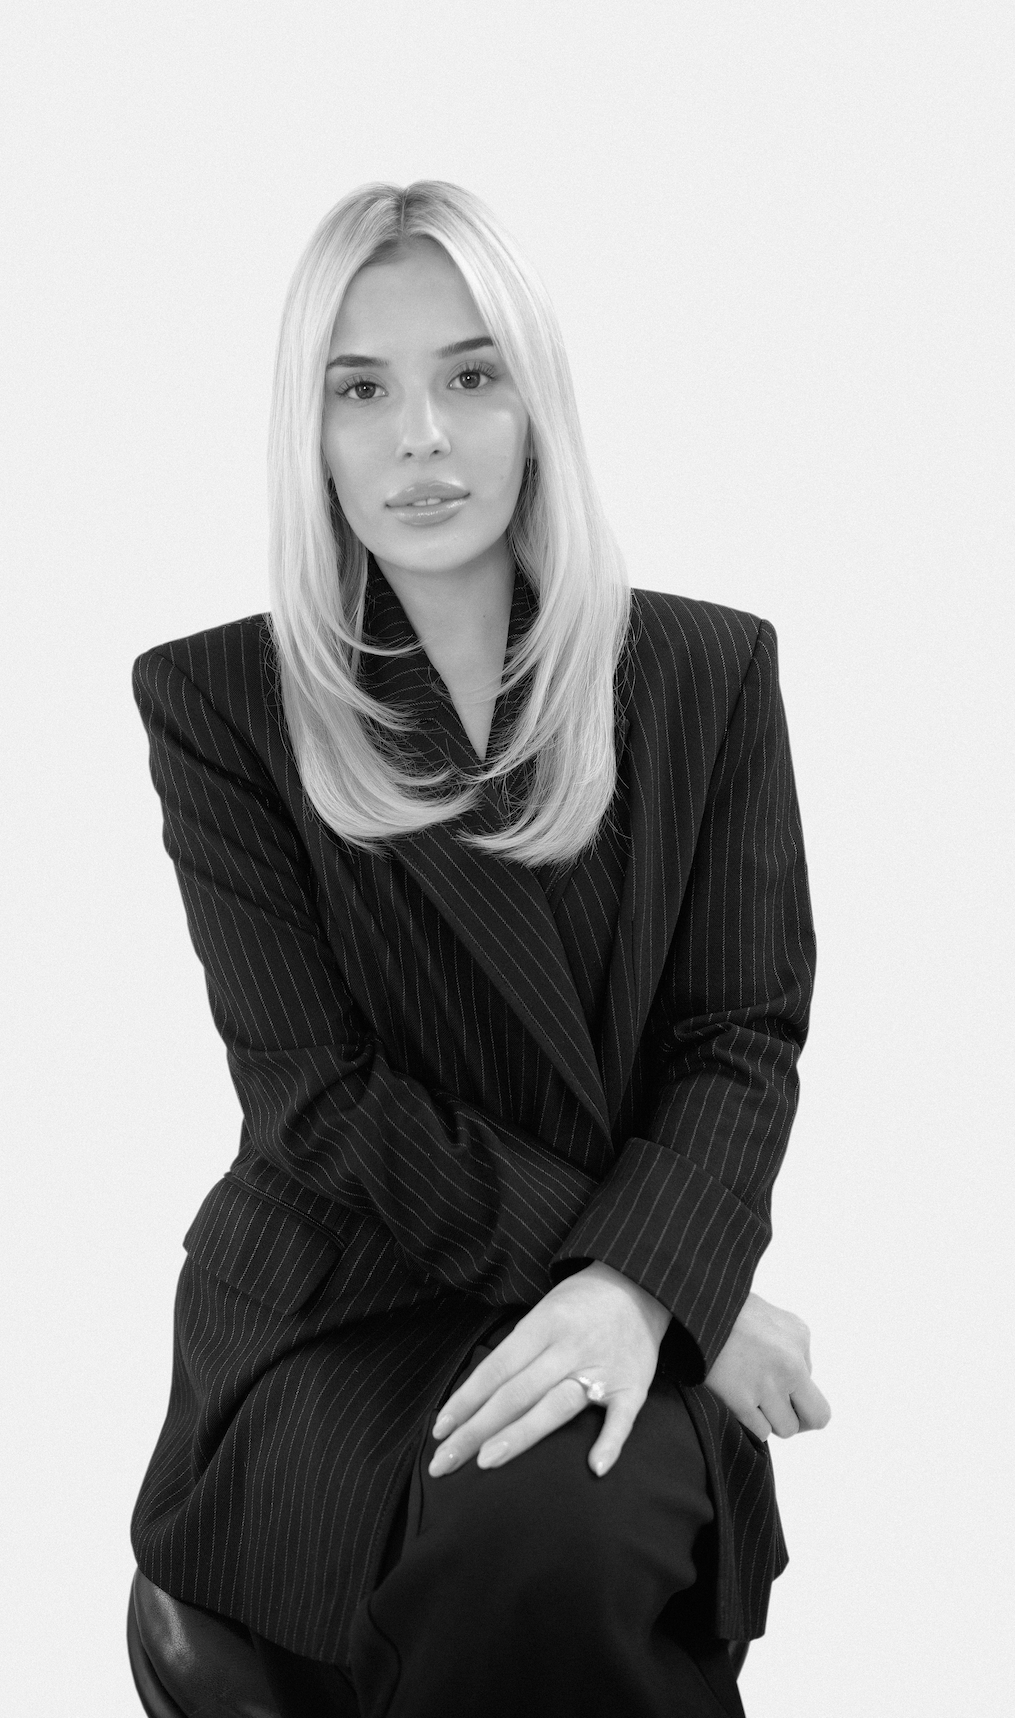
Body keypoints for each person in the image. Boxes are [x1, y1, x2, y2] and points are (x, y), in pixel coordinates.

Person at [129, 180, 830, 1718]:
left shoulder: (707, 674)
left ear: (534, 400)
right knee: (530, 1539)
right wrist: (664, 1276)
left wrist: (642, 1288)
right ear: (306, 434)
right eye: (359, 389)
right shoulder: (223, 705)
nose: (420, 439)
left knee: (565, 1535)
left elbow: (737, 1035)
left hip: (614, 1270)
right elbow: (316, 1097)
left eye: (469, 374)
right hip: (340, 1300)